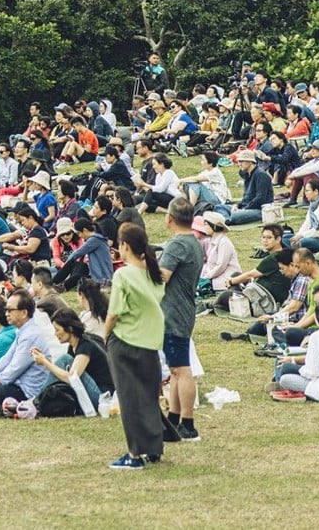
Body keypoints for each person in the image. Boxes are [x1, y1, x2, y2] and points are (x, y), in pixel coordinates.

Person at [103, 222, 167, 469]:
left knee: (129, 399)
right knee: (149, 396)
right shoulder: (153, 274)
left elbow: (114, 312)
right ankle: (153, 448)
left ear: (125, 246)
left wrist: (105, 335)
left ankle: (134, 454)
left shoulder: (123, 274)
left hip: (125, 340)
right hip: (150, 342)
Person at [158, 198, 203, 442]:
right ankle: (174, 417)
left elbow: (163, 275)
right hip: (183, 309)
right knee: (175, 369)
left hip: (174, 313)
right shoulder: (193, 242)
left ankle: (188, 422)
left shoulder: (177, 244)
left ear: (170, 219)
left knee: (182, 369)